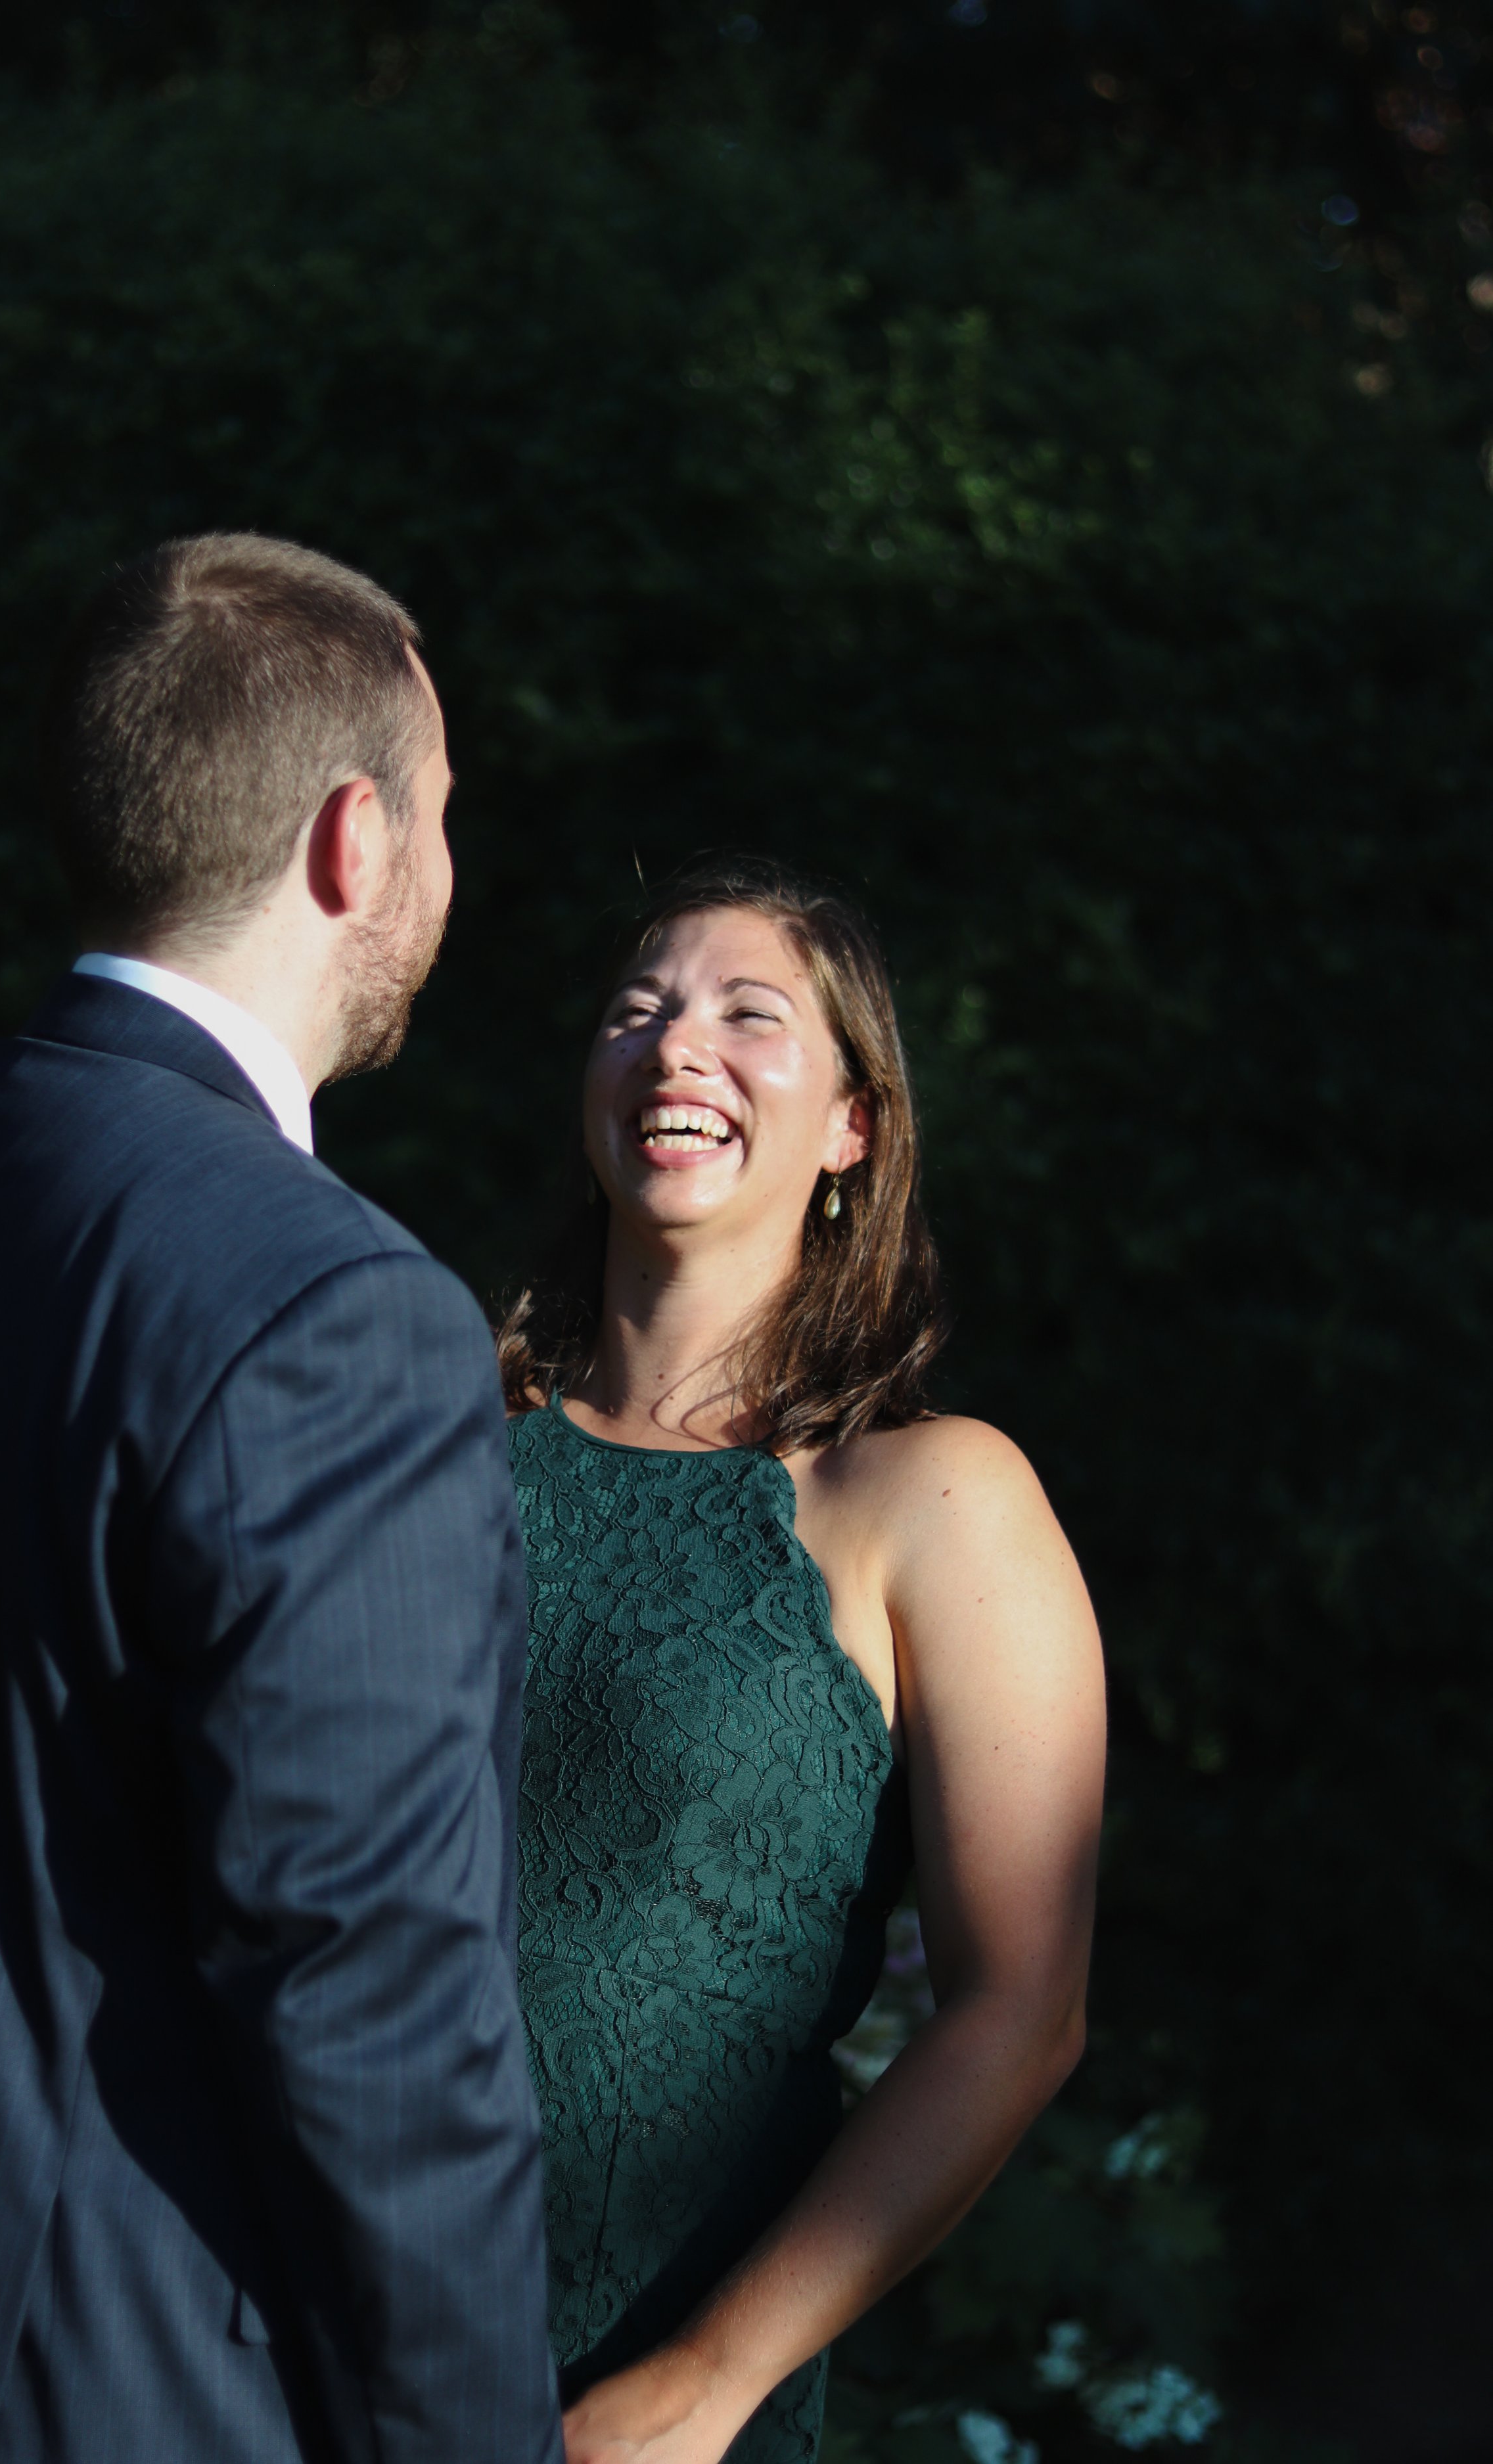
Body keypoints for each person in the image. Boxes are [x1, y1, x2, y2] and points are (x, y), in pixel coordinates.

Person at [0, 534, 561, 2464]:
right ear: (355, 843)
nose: (445, 869)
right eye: (442, 815)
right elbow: (377, 2014)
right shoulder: (334, 1308)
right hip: (128, 2386)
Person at [499, 861, 1107, 2464]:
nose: (673, 1044)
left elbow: (1018, 2009)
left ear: (855, 1126)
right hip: (290, 2321)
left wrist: (703, 2386)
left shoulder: (932, 1501)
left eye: (745, 1016)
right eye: (636, 1010)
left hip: (644, 2391)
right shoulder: (424, 1445)